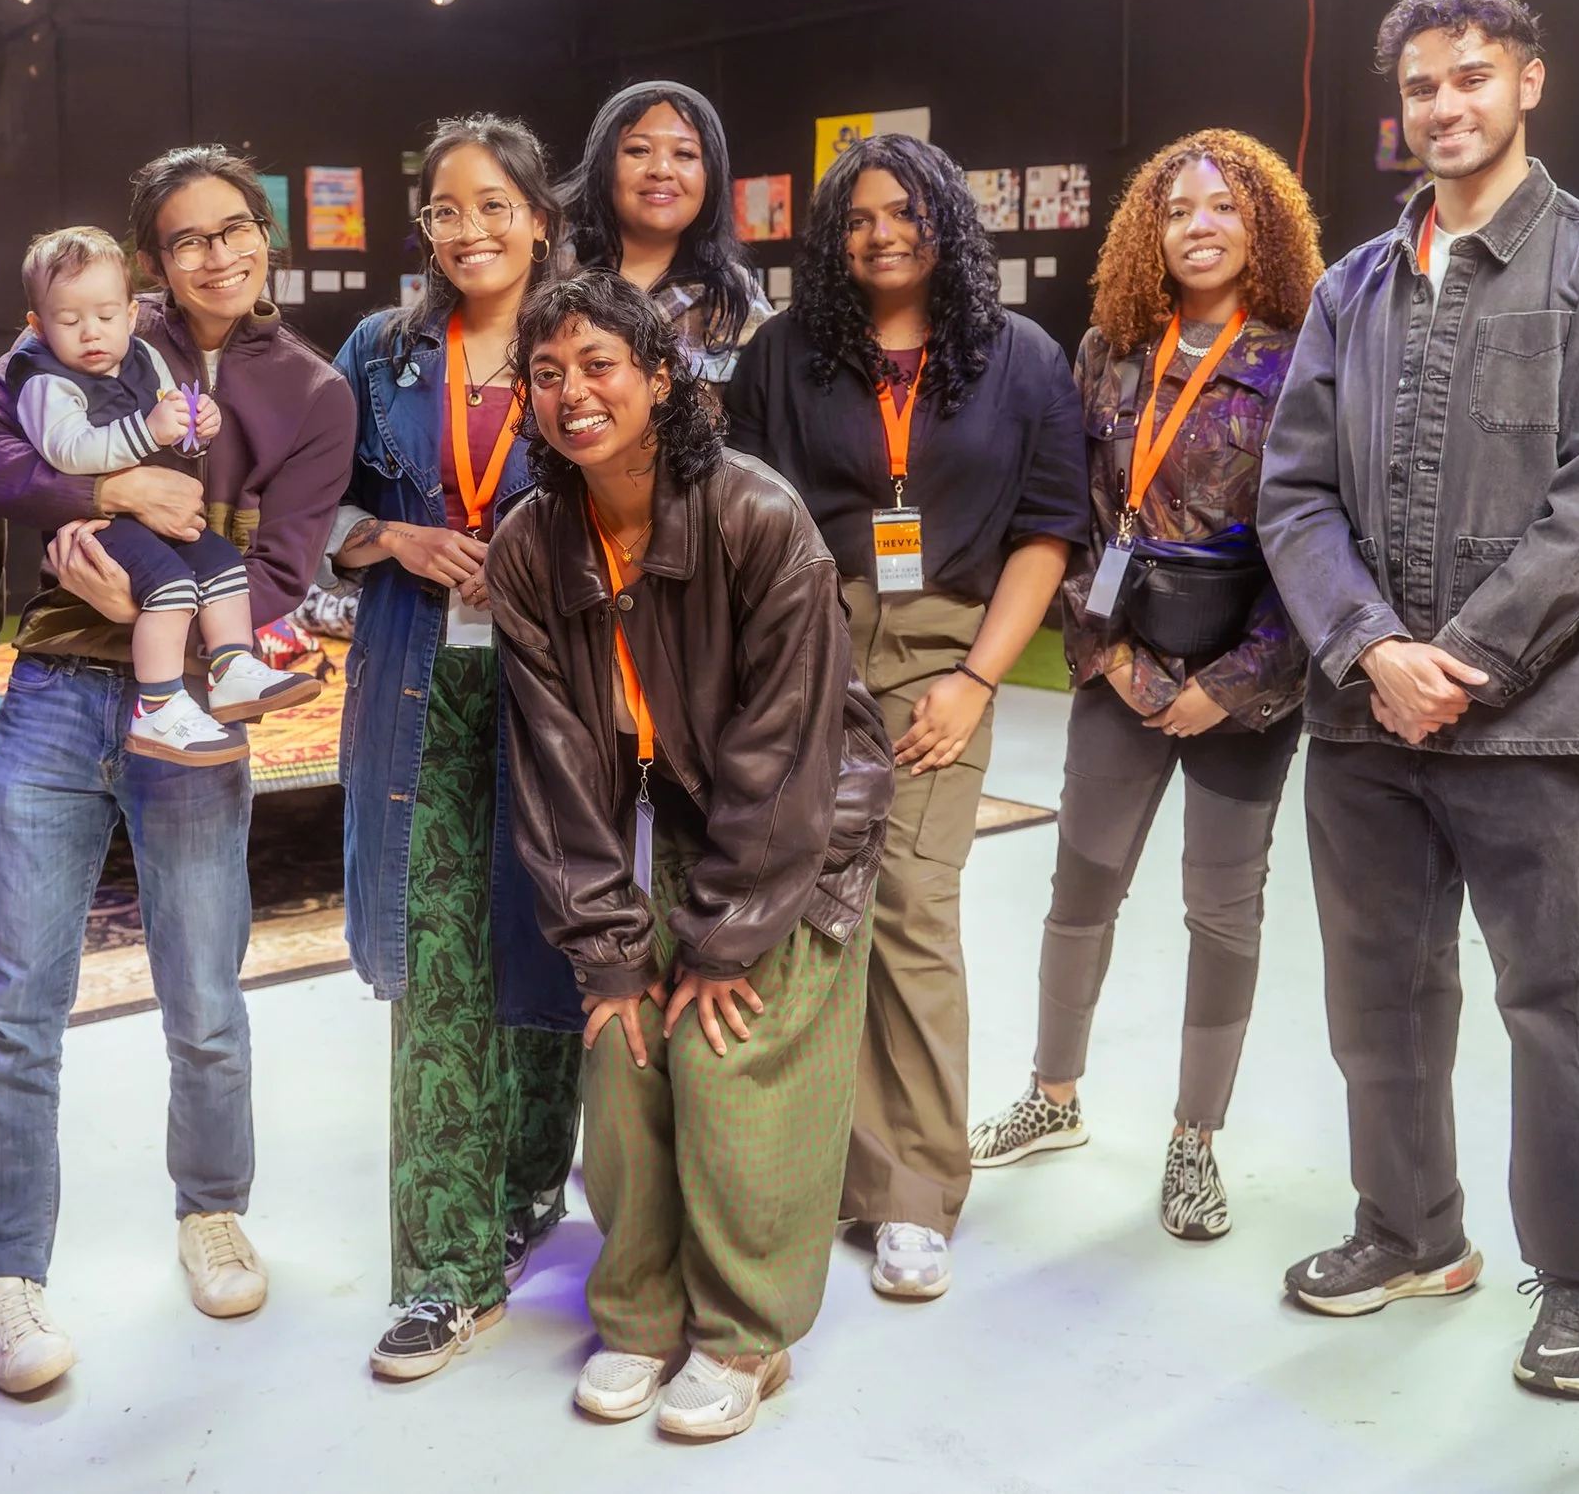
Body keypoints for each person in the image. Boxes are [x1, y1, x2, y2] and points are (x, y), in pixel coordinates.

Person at [1258, 0, 1579, 1400]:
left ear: (1528, 81)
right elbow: (1292, 494)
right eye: (1422, 86)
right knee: (1377, 992)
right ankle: (1411, 1229)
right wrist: (1372, 649)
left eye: (1472, 76)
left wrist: (1464, 667)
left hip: (1530, 728)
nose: (1445, 105)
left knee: (1553, 1002)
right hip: (1360, 718)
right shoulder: (1351, 288)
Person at [0, 146, 356, 1395]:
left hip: (195, 708)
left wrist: (144, 602)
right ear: (152, 257)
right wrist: (103, 483)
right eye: (187, 237)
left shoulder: (313, 391)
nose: (216, 254)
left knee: (206, 994)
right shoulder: (94, 323)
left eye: (236, 229)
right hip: (56, 696)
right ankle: (9, 1273)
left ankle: (211, 1210)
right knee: (19, 1005)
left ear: (266, 238)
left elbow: (281, 571)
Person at [486, 270, 894, 1440]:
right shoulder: (530, 544)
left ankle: (746, 1332)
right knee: (622, 1050)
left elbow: (788, 750)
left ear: (660, 378)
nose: (572, 392)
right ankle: (640, 1311)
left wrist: (721, 941)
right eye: (546, 373)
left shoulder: (754, 514)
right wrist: (611, 951)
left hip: (802, 831)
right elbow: (555, 767)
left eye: (598, 365)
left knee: (725, 1056)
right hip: (664, 824)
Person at [729, 131, 1087, 1300]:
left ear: (945, 222)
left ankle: (914, 1192)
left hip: (943, 650)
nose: (881, 234)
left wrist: (977, 678)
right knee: (801, 909)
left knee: (912, 906)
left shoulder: (1019, 357)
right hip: (801, 642)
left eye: (904, 211)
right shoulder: (783, 354)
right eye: (858, 217)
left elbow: (1048, 530)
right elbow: (742, 510)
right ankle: (816, 1159)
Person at [967, 130, 1320, 1243]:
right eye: (1177, 210)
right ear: (1147, 233)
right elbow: (1070, 519)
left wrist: (1239, 680)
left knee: (1222, 908)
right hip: (1119, 661)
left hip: (1245, 679)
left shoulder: (1307, 354)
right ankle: (1053, 1095)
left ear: (1262, 224)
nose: (1199, 226)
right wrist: (1114, 660)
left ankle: (1194, 1139)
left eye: (1223, 206)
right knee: (1081, 886)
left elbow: (1321, 536)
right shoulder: (1109, 351)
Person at [324, 115, 585, 1380]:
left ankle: (531, 1180)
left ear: (538, 215)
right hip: (418, 683)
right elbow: (311, 506)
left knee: (551, 945)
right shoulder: (381, 350)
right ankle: (445, 1267)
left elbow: (647, 495)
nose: (468, 229)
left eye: (493, 204)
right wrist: (395, 537)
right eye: (444, 208)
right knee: (438, 965)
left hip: (562, 690)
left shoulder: (584, 343)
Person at [6, 224, 318, 767]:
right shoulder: (44, 380)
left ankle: (231, 665)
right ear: (38, 326)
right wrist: (150, 431)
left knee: (221, 561)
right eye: (69, 321)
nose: (91, 333)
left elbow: (172, 414)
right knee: (171, 587)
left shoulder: (143, 356)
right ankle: (158, 704)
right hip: (99, 521)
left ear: (131, 315)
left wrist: (198, 425)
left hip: (156, 514)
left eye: (106, 317)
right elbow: (67, 450)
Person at [559, 80, 772, 383]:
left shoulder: (738, 297)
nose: (661, 169)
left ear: (710, 175)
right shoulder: (548, 274)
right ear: (603, 166)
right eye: (638, 150)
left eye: (684, 154)